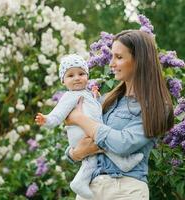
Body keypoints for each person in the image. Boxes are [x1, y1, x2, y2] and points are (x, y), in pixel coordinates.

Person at [65, 30, 174, 200]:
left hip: (125, 189)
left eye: (119, 57)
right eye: (112, 57)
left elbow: (123, 144)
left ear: (139, 61)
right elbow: (80, 141)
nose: (111, 64)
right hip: (90, 189)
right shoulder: (106, 100)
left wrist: (80, 118)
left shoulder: (155, 106)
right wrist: (75, 154)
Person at [34, 54, 144, 199]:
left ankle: (80, 181)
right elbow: (58, 114)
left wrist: (95, 97)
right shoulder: (70, 96)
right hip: (82, 134)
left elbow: (93, 110)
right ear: (63, 81)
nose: (77, 78)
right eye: (71, 75)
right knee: (106, 143)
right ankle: (124, 163)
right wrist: (47, 120)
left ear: (87, 75)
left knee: (91, 160)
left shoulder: (84, 94)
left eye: (81, 73)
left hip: (87, 134)